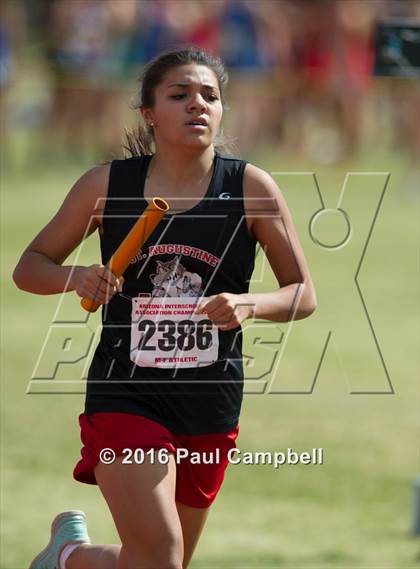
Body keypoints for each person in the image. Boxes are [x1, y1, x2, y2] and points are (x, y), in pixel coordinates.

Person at [13, 46, 317, 569]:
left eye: (210, 96)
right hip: (126, 393)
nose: (198, 104)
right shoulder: (108, 186)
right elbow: (30, 267)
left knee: (157, 564)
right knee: (162, 556)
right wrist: (76, 276)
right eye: (180, 95)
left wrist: (249, 303)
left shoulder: (250, 187)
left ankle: (69, 557)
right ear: (149, 114)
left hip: (211, 401)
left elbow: (301, 293)